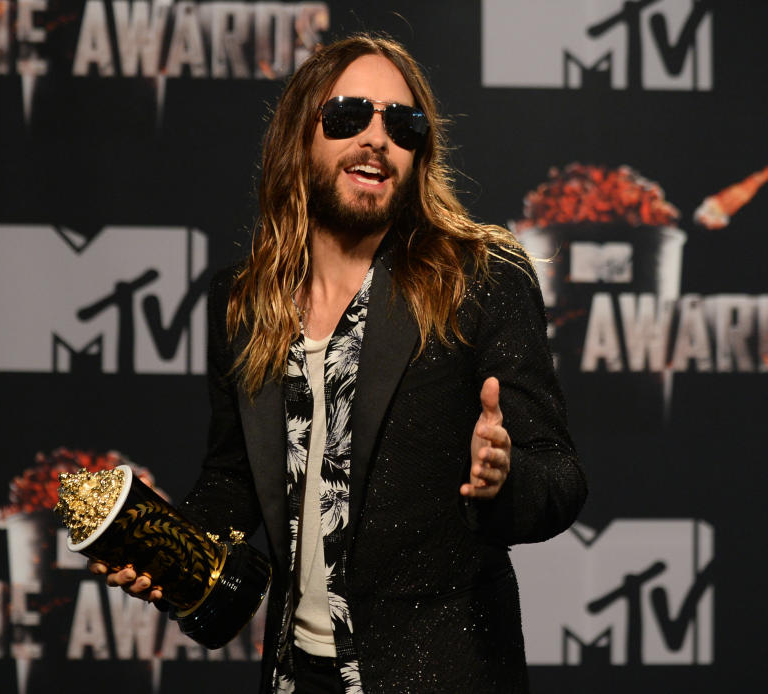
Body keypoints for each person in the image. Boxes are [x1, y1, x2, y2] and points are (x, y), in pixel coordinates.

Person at [90, 32, 587, 694]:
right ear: (300, 134)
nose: (375, 139)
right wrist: (168, 547)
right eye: (349, 116)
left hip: (439, 675)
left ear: (419, 155)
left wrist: (503, 478)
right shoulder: (242, 302)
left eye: (402, 125)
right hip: (297, 675)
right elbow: (232, 478)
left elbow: (559, 475)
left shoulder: (478, 279)